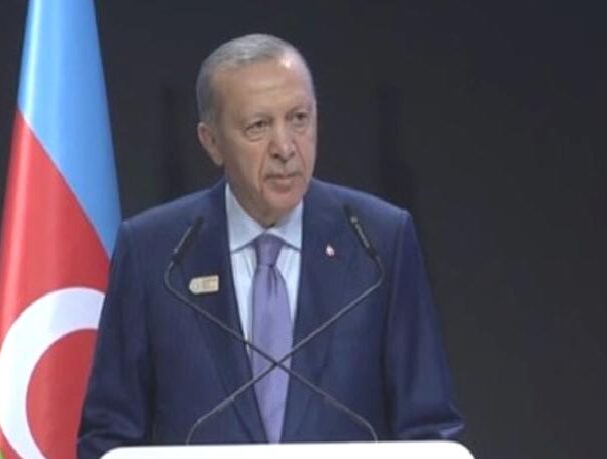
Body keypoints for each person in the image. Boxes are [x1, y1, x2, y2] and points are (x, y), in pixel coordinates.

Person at [77, 33, 463, 457]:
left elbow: (429, 431)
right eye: (258, 126)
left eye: (299, 118)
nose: (285, 147)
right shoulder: (154, 252)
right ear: (211, 142)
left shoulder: (378, 241)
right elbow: (109, 436)